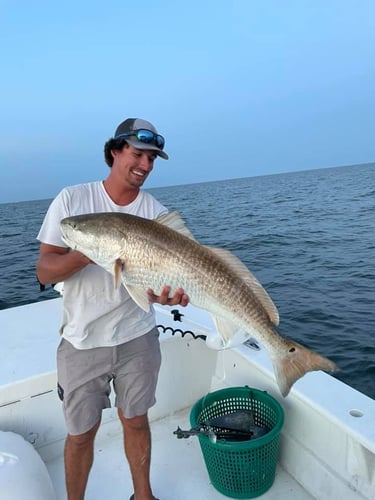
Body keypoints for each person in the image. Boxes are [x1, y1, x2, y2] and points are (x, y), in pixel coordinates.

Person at [36, 118, 189, 500]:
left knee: (136, 420)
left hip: (137, 335)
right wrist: (87, 252)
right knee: (81, 433)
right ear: (115, 151)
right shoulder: (73, 201)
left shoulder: (155, 212)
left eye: (152, 158)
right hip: (82, 340)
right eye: (138, 154)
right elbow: (44, 269)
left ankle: (144, 496)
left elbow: (154, 285)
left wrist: (168, 295)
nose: (146, 165)